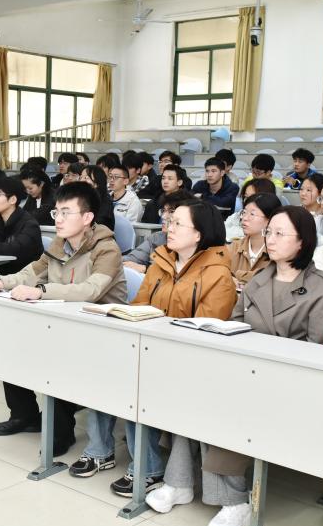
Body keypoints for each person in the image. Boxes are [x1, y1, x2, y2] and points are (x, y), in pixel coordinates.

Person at [161, 206, 323, 526]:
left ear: (302, 241)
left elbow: (318, 353)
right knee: (192, 392)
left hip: (289, 383)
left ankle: (235, 502)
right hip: (246, 371)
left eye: (280, 233)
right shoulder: (260, 280)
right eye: (269, 232)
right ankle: (179, 482)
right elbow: (237, 325)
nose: (271, 239)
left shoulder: (319, 288)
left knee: (228, 406)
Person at [79, 201, 237, 497]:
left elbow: (205, 330)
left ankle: (147, 468)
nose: (168, 227)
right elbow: (140, 306)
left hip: (189, 358)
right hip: (151, 348)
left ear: (199, 234)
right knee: (102, 370)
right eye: (169, 221)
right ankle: (99, 450)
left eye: (177, 223)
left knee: (138, 383)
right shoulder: (162, 261)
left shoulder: (218, 274)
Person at [0, 182, 126, 456]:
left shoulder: (107, 249)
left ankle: (61, 433)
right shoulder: (60, 244)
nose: (58, 219)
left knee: (57, 360)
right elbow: (32, 272)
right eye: (56, 212)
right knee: (11, 348)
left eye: (65, 213)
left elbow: (91, 290)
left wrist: (41, 292)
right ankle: (25, 416)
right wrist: (3, 282)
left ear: (87, 217)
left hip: (102, 330)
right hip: (63, 323)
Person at [122, 190, 196, 272]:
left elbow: (180, 272)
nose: (163, 216)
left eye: (171, 211)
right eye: (163, 210)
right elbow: (133, 258)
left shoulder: (190, 243)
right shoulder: (156, 237)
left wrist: (146, 269)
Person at [228, 192, 281, 287]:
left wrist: (238, 276)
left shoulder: (280, 251)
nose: (244, 218)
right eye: (244, 212)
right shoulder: (234, 247)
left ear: (270, 219)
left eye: (252, 214)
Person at [77, 164, 117, 230]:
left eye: (86, 178)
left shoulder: (105, 201)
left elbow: (97, 223)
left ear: (96, 183)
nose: (81, 181)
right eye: (81, 177)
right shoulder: (81, 198)